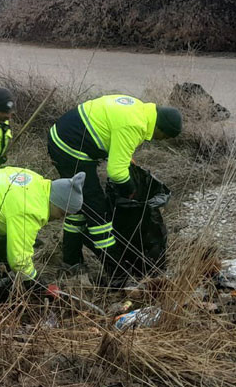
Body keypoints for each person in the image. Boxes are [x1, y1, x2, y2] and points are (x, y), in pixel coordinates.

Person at [47, 95, 183, 284]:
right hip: (70, 149)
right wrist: (130, 190)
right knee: (98, 213)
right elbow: (117, 172)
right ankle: (119, 275)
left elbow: (118, 146)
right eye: (165, 137)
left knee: (79, 206)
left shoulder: (139, 109)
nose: (161, 141)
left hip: (63, 137)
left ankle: (71, 261)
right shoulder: (135, 125)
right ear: (160, 129)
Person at [0, 168, 84, 299]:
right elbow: (19, 261)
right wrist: (39, 286)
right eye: (62, 213)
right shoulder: (31, 210)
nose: (60, 219)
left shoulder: (36, 180)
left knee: (4, 249)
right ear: (55, 203)